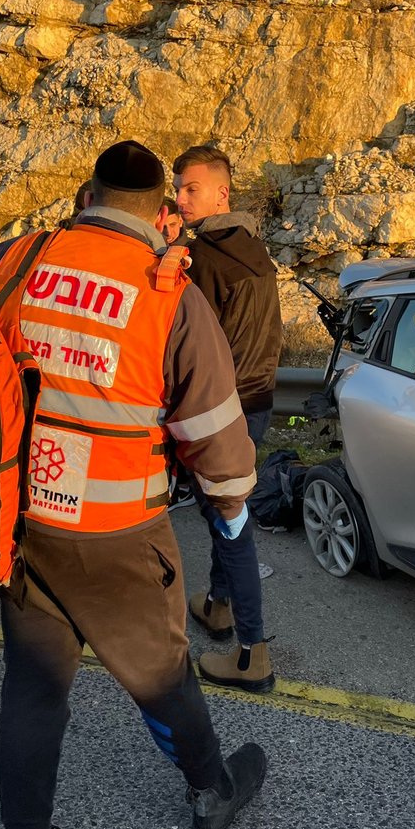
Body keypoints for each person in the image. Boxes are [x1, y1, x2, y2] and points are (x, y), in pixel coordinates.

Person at [0, 140, 267, 829]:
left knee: (34, 692)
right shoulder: (170, 295)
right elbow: (215, 433)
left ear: (89, 194)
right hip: (118, 531)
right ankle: (211, 790)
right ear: (159, 209)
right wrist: (229, 502)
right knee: (164, 674)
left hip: (22, 519)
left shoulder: (14, 261)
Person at [172, 144, 282, 693]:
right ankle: (217, 605)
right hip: (258, 402)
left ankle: (252, 654)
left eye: (191, 188)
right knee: (223, 512)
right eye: (177, 187)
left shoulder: (203, 261)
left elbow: (189, 351)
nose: (180, 197)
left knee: (231, 525)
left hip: (223, 412)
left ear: (222, 192)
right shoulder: (253, 250)